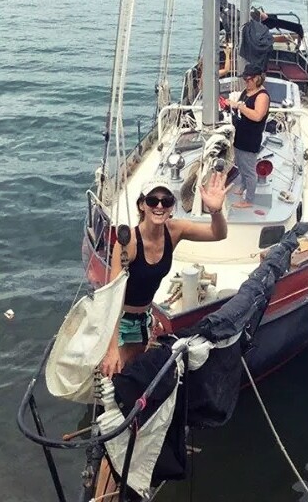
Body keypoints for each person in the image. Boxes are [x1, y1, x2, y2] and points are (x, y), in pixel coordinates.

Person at [100, 171, 230, 377]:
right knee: (116, 377)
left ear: (172, 207)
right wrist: (111, 348)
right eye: (153, 200)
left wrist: (215, 210)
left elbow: (218, 233)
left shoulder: (175, 231)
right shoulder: (129, 243)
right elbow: (112, 297)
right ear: (142, 205)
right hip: (122, 322)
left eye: (166, 201)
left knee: (135, 375)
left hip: (144, 320)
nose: (159, 206)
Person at [226, 63, 271, 208]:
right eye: (245, 79)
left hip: (251, 137)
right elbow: (241, 105)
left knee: (249, 170)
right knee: (240, 163)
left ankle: (249, 200)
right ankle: (244, 185)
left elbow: (257, 116)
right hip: (241, 133)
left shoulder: (262, 96)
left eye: (248, 79)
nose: (246, 82)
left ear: (257, 79)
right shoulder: (247, 91)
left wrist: (239, 106)